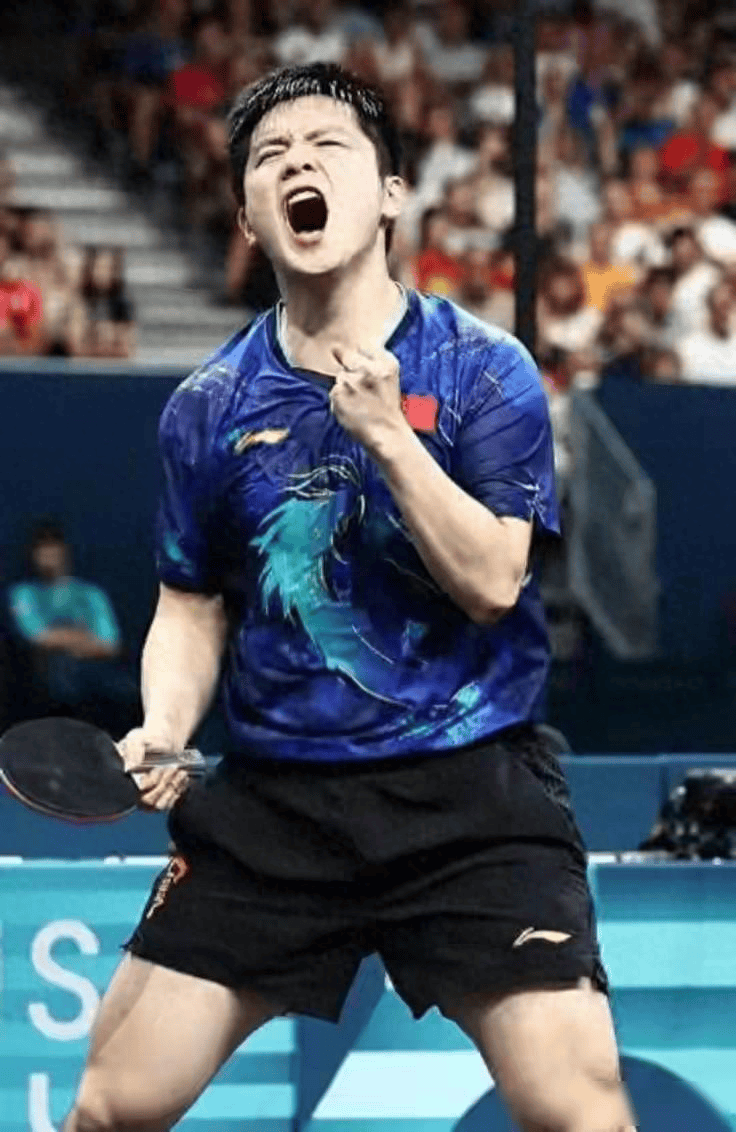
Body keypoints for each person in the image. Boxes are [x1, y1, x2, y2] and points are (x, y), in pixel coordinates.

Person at [63, 63, 635, 1132]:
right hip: (277, 805)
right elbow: (190, 604)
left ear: (389, 195)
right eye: (270, 157)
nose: (298, 163)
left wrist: (386, 436)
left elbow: (493, 581)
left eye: (327, 144)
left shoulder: (483, 370)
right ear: (248, 218)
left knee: (578, 1106)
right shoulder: (208, 408)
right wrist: (164, 725)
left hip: (471, 798)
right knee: (109, 1105)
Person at [7, 520, 139, 732]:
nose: (49, 556)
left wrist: (66, 641)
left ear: (65, 551)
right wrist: (82, 636)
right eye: (43, 550)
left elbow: (110, 644)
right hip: (46, 684)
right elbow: (36, 637)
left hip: (98, 679)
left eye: (53, 549)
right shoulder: (23, 594)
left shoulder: (91, 594)